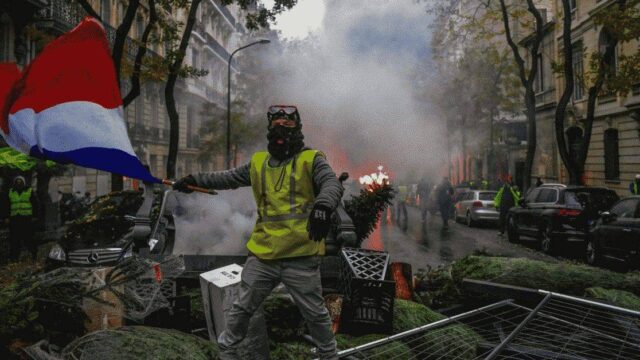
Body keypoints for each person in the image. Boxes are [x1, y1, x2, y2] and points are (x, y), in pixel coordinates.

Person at [173, 105, 342, 360]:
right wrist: (193, 180)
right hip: (264, 256)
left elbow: (331, 183)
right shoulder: (258, 162)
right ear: (269, 130)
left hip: (301, 255)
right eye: (276, 127)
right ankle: (226, 351)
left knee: (316, 314)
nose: (281, 132)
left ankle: (330, 355)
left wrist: (323, 205)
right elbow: (226, 178)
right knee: (241, 309)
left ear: (298, 129)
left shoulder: (312, 159)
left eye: (287, 126)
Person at [3, 176, 39, 261]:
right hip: (14, 219)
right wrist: (6, 217)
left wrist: (35, 216)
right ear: (14, 183)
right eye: (17, 181)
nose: (18, 183)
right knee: (14, 239)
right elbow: (6, 205)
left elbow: (36, 204)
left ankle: (34, 253)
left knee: (28, 238)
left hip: (26, 219)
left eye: (20, 181)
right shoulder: (10, 192)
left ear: (23, 182)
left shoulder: (29, 191)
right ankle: (14, 257)